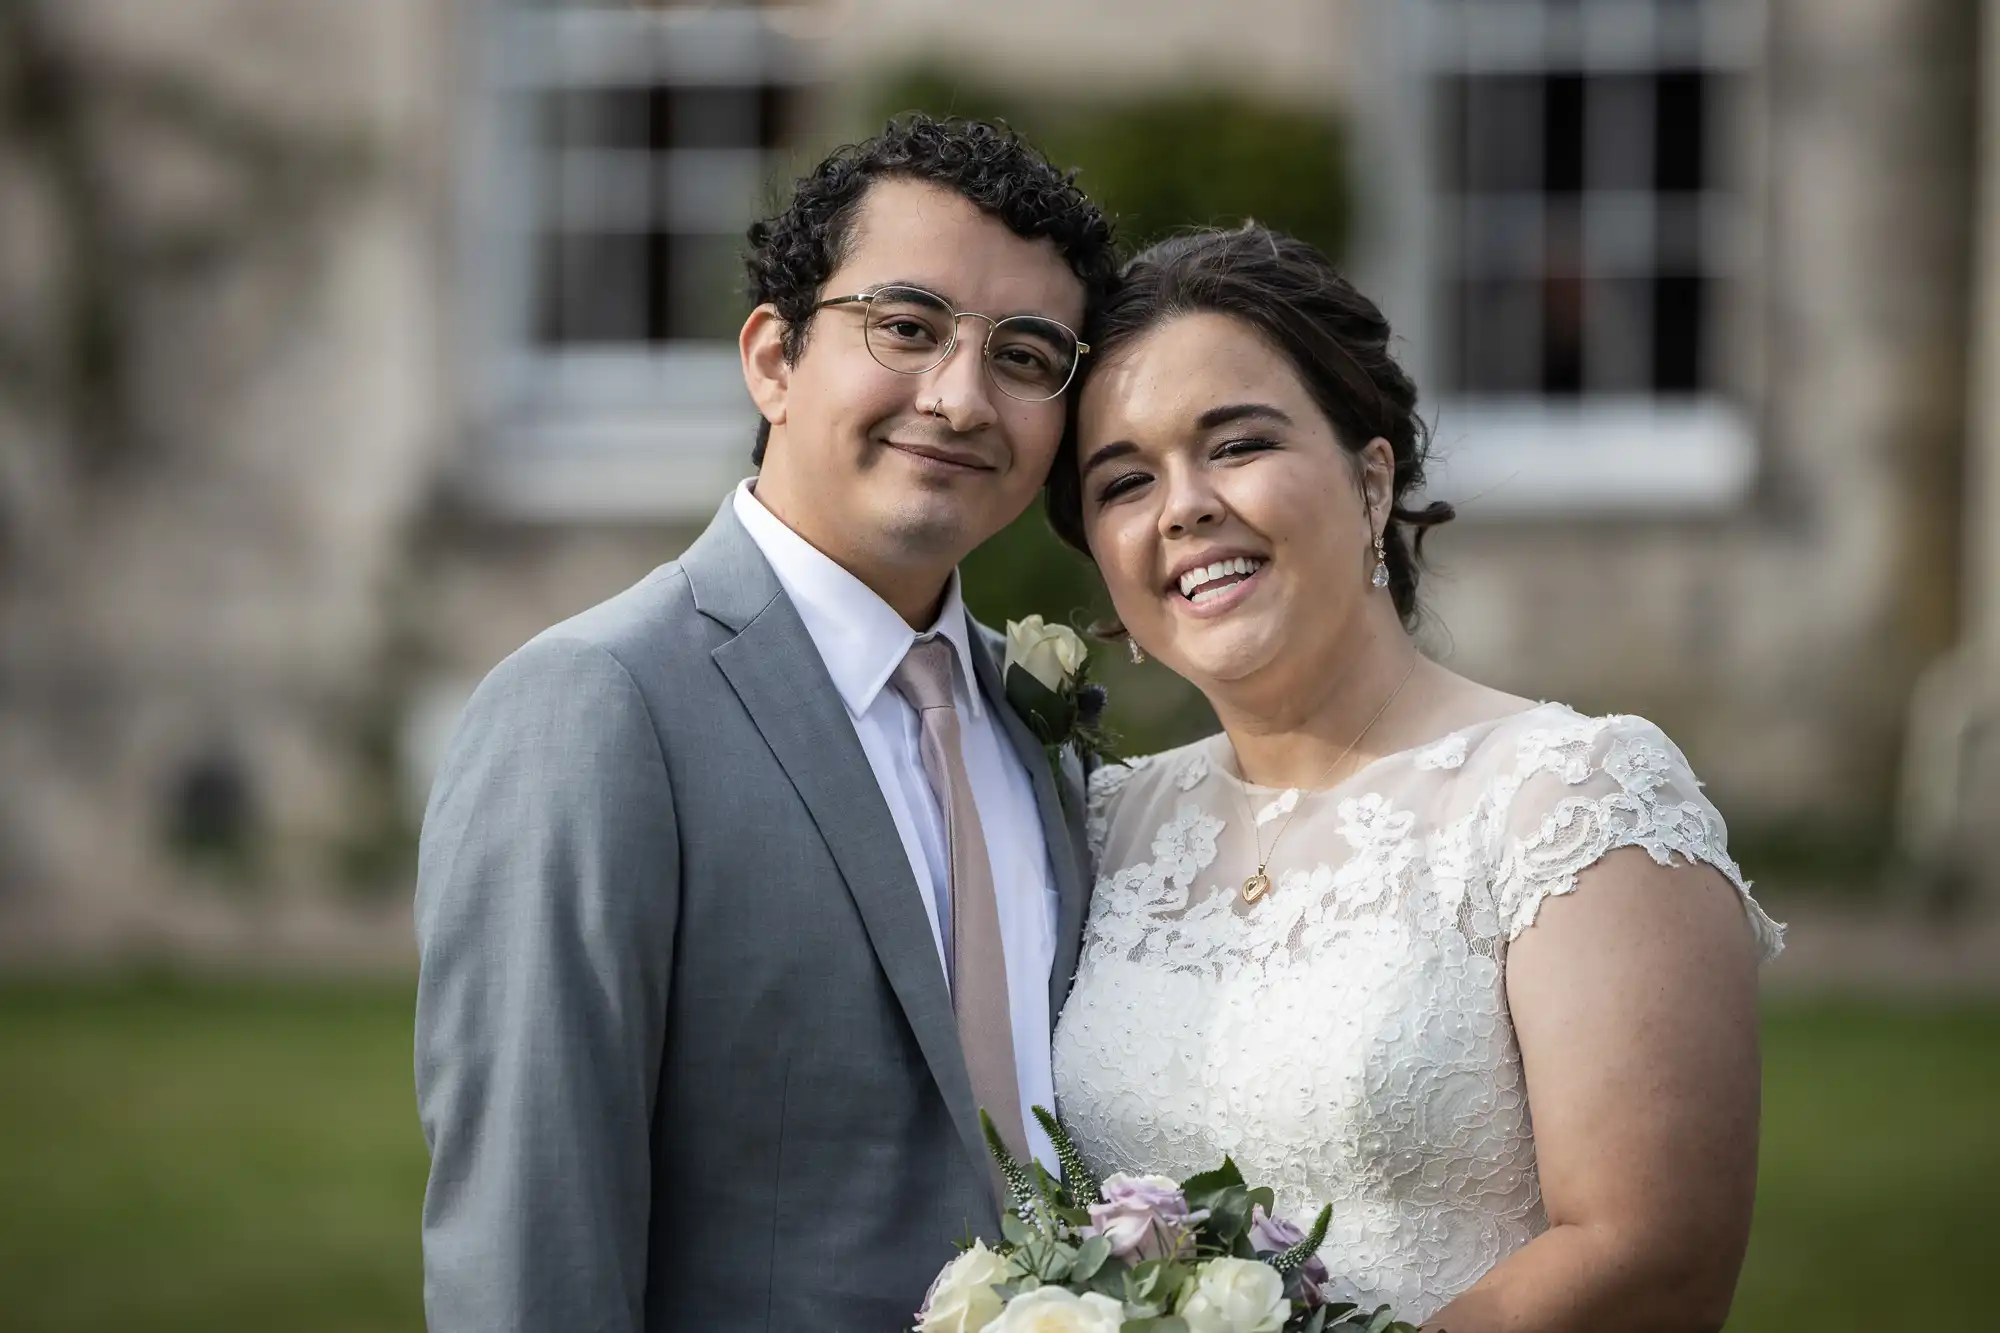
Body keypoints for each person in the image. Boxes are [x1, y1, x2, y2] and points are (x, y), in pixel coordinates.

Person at [413, 116, 1117, 1333]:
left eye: (1022, 354)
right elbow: (530, 1240)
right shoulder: (596, 704)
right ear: (773, 359)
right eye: (904, 327)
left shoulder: (1034, 720)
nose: (957, 396)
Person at [1045, 225, 1784, 1332]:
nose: (1182, 505)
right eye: (1123, 481)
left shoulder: (1572, 795)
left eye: (1235, 444)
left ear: (1369, 479)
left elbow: (1647, 1259)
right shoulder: (1098, 821)